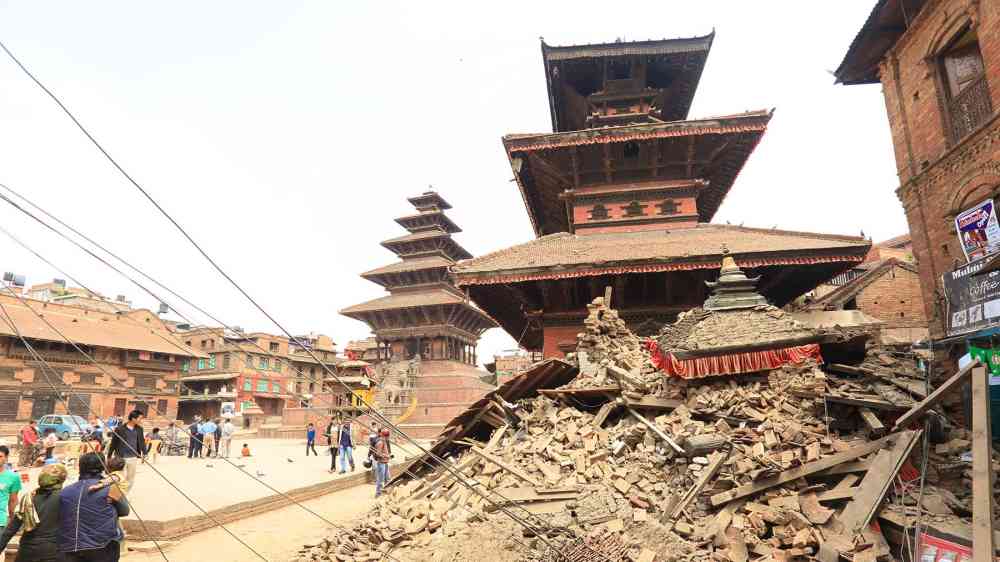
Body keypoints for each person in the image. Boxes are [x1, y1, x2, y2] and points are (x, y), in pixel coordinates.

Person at [59, 453, 129, 561]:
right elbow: (124, 511)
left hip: (70, 548)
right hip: (103, 547)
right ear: (102, 468)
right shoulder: (111, 489)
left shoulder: (65, 491)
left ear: (80, 468)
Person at [0, 463, 67, 562]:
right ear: (62, 479)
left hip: (27, 552)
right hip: (52, 552)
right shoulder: (66, 497)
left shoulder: (29, 498)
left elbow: (11, 529)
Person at [106, 410, 145, 485]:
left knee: (130, 478)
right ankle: (117, 494)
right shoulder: (120, 429)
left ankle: (125, 494)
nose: (141, 420)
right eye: (140, 418)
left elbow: (141, 441)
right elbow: (113, 443)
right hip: (120, 457)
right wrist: (109, 455)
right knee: (119, 477)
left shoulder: (139, 429)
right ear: (133, 419)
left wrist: (145, 453)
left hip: (133, 457)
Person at [372, 429, 391, 498]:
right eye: (387, 436)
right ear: (385, 436)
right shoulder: (380, 443)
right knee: (380, 480)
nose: (388, 437)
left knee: (388, 479)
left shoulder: (384, 441)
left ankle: (386, 491)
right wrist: (386, 456)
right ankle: (378, 494)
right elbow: (378, 453)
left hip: (385, 462)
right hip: (381, 463)